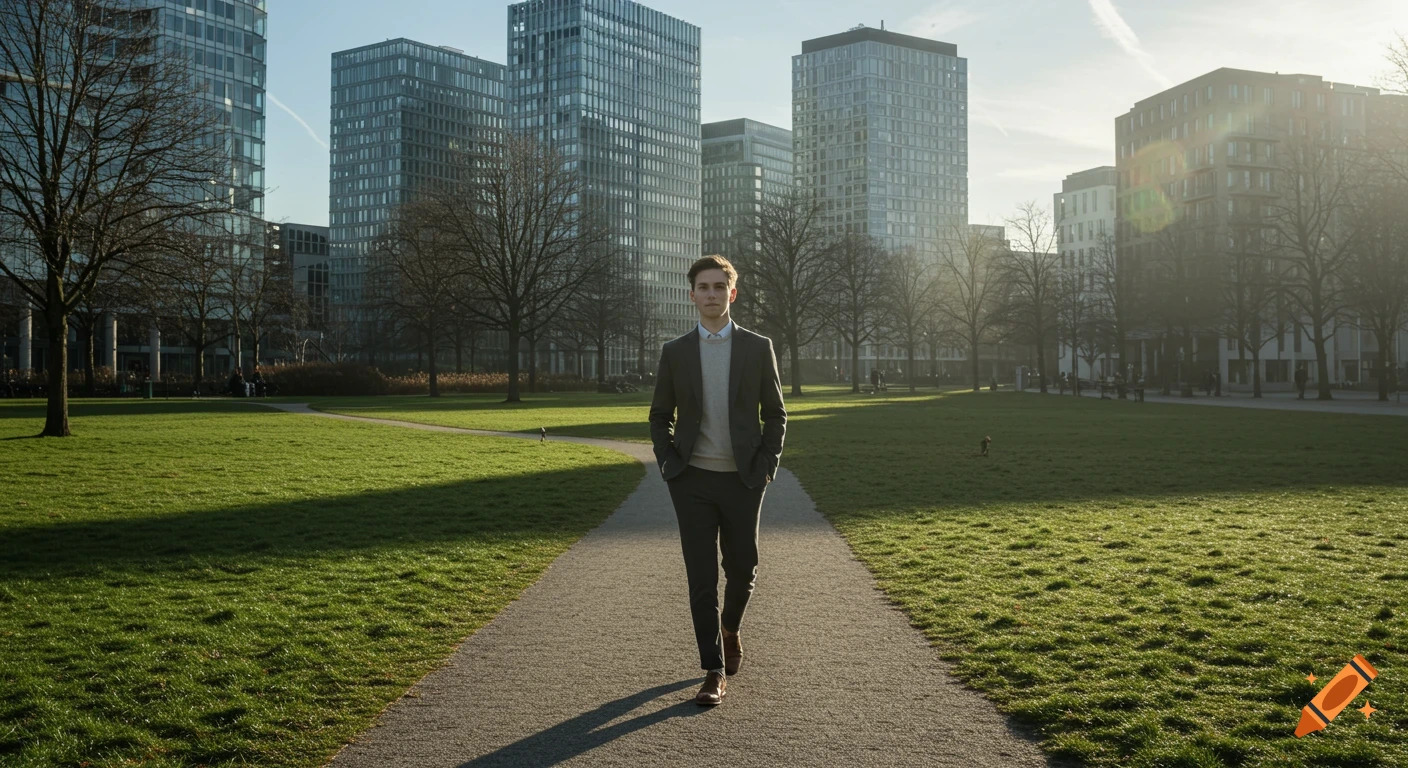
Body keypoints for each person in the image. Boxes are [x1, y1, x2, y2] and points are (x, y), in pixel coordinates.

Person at [649, 255, 786, 707]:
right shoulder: (675, 352)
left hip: (745, 479)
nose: (710, 294)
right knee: (701, 577)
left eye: (718, 286)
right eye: (702, 287)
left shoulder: (757, 346)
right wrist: (670, 465)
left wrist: (767, 462)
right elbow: (660, 416)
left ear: (733, 292)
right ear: (692, 295)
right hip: (692, 480)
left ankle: (730, 628)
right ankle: (712, 670)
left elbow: (776, 412)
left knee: (743, 568)